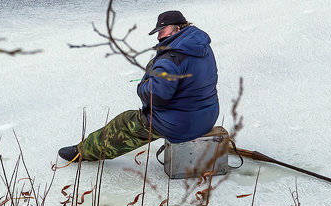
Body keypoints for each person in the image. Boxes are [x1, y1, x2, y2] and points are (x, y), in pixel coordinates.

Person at [58, 10, 219, 163]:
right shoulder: (201, 47)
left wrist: (142, 86)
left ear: (177, 29)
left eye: (162, 30)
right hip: (207, 117)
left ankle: (82, 152)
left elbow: (157, 96)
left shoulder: (172, 57)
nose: (158, 36)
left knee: (126, 122)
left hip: (181, 124)